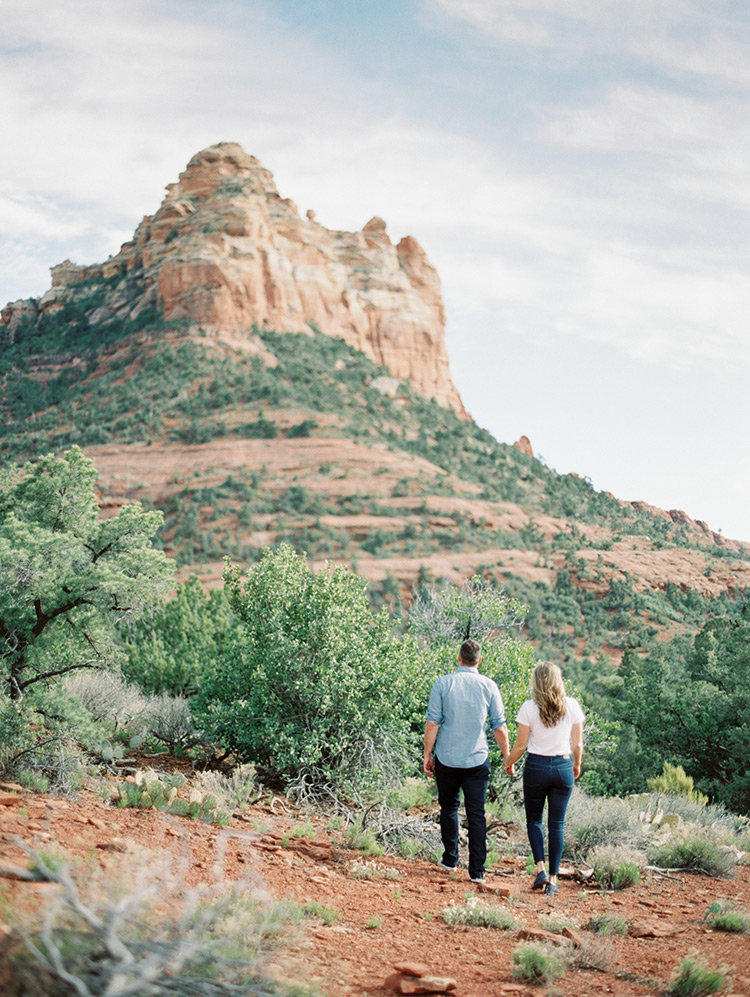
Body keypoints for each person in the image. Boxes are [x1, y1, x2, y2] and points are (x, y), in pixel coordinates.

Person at [423, 638, 511, 884]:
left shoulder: (443, 683)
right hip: (476, 759)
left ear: (459, 658)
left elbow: (433, 722)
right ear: (479, 660)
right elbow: (499, 727)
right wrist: (508, 757)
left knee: (449, 808)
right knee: (476, 814)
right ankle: (477, 871)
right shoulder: (489, 686)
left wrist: (427, 755)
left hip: (447, 759)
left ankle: (450, 859)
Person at [504, 661, 584, 896]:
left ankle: (540, 868)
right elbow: (577, 743)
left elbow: (520, 745)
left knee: (534, 820)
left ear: (536, 682)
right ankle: (553, 880)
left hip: (536, 766)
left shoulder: (529, 708)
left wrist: (508, 763)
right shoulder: (572, 706)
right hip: (562, 766)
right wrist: (577, 764)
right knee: (556, 824)